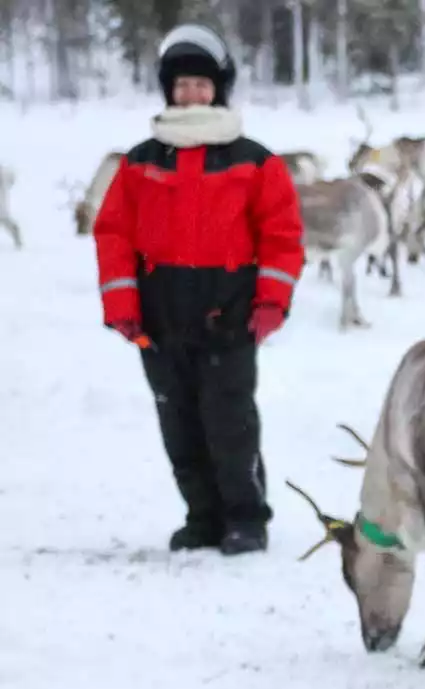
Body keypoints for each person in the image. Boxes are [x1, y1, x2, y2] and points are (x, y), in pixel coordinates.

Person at [93, 23, 305, 556]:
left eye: (201, 84)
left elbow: (282, 236)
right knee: (179, 424)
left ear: (219, 89)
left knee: (229, 421)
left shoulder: (255, 160)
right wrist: (122, 306)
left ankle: (246, 519)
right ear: (168, 89)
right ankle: (203, 517)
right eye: (182, 84)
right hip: (160, 318)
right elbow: (113, 234)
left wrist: (271, 303)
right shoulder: (141, 161)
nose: (191, 94)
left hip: (228, 314)